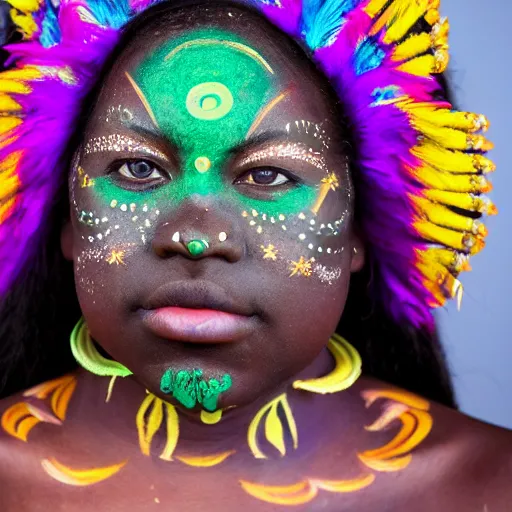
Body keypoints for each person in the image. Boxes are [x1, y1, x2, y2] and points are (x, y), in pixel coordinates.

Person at [0, 0, 510, 510]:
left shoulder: (490, 485)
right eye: (137, 168)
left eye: (268, 175)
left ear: (360, 225)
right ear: (65, 212)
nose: (197, 238)